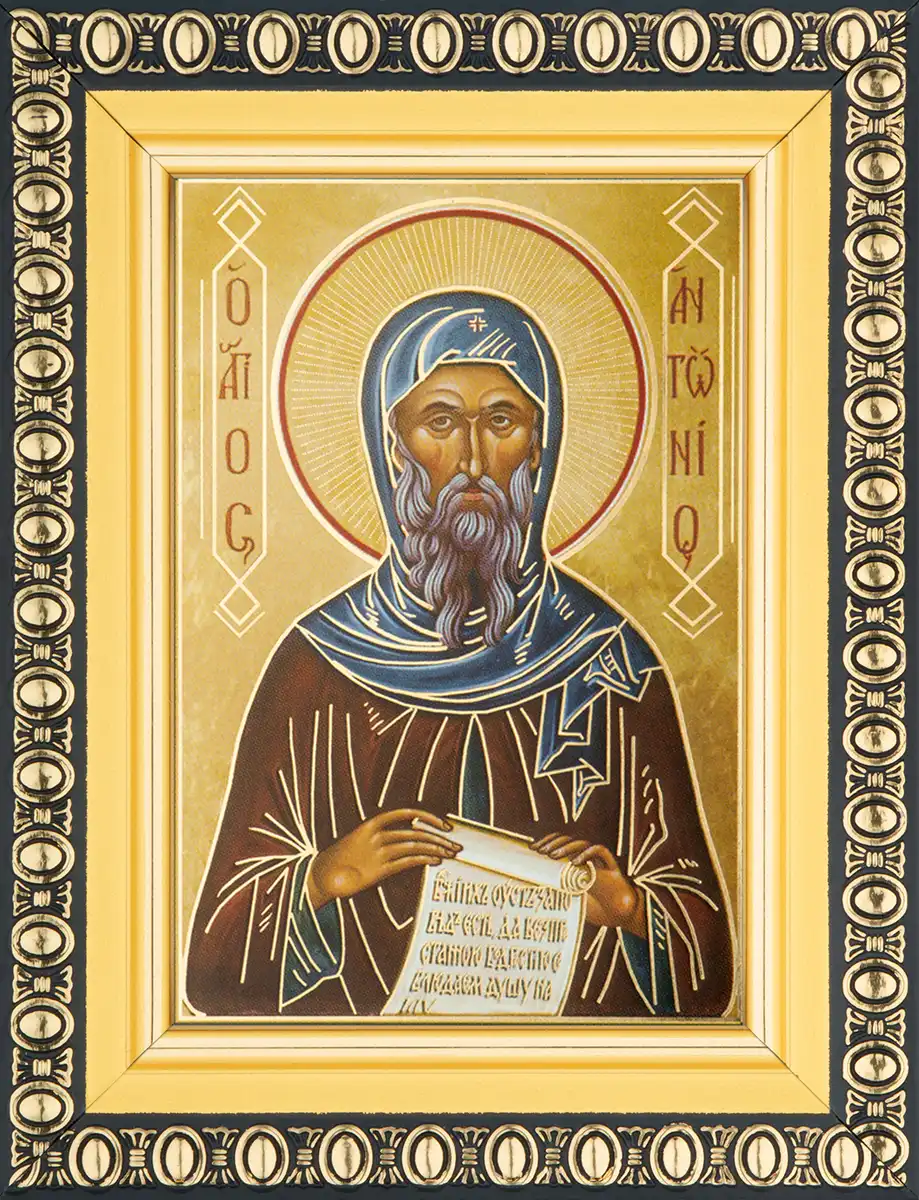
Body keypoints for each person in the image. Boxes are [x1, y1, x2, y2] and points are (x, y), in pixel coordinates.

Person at [185, 290, 734, 1018]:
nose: (473, 460)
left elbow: (713, 969)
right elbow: (210, 969)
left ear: (538, 445)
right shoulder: (317, 666)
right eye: (439, 422)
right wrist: (323, 878)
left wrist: (631, 909)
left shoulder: (611, 662)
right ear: (394, 448)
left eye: (502, 421)